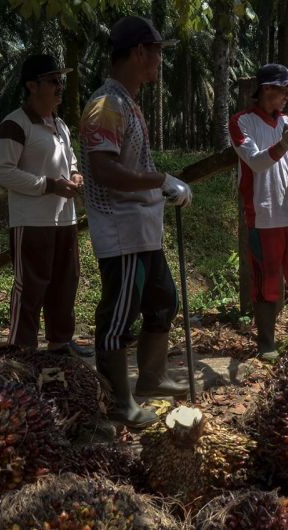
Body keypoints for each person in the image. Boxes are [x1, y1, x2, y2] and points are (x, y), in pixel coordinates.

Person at [79, 15, 192, 428]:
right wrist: (160, 180)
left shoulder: (126, 102)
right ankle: (117, 402)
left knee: (163, 301)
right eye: (158, 52)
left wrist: (158, 185)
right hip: (122, 230)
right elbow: (106, 171)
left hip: (144, 227)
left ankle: (151, 377)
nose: (160, 61)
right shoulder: (106, 106)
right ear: (140, 52)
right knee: (118, 319)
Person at [229, 63, 288, 362]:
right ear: (266, 89)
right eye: (283, 89)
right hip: (263, 215)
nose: (287, 96)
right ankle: (266, 343)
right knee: (266, 285)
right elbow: (255, 162)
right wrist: (282, 145)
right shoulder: (241, 123)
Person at [0, 54, 84, 354]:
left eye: (61, 80)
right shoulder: (15, 124)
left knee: (64, 285)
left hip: (64, 220)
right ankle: (22, 351)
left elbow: (69, 160)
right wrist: (48, 185)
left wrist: (74, 174)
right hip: (31, 222)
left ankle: (60, 343)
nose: (60, 86)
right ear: (32, 86)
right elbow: (2, 171)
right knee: (30, 287)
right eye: (53, 81)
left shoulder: (60, 125)